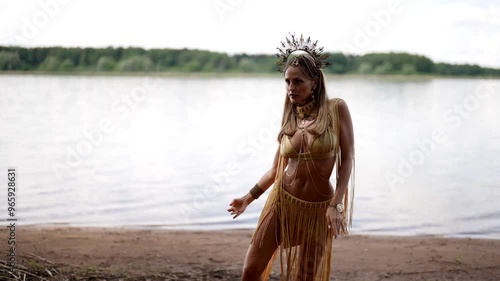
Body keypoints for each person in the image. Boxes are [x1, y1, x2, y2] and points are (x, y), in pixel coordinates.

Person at [227, 34, 355, 281]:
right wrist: (247, 198)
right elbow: (276, 169)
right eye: (287, 81)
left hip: (319, 210)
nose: (290, 88)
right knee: (250, 271)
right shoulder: (291, 118)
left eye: (298, 81)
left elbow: (347, 158)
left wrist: (337, 205)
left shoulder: (336, 109)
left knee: (304, 277)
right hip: (281, 203)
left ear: (315, 82)